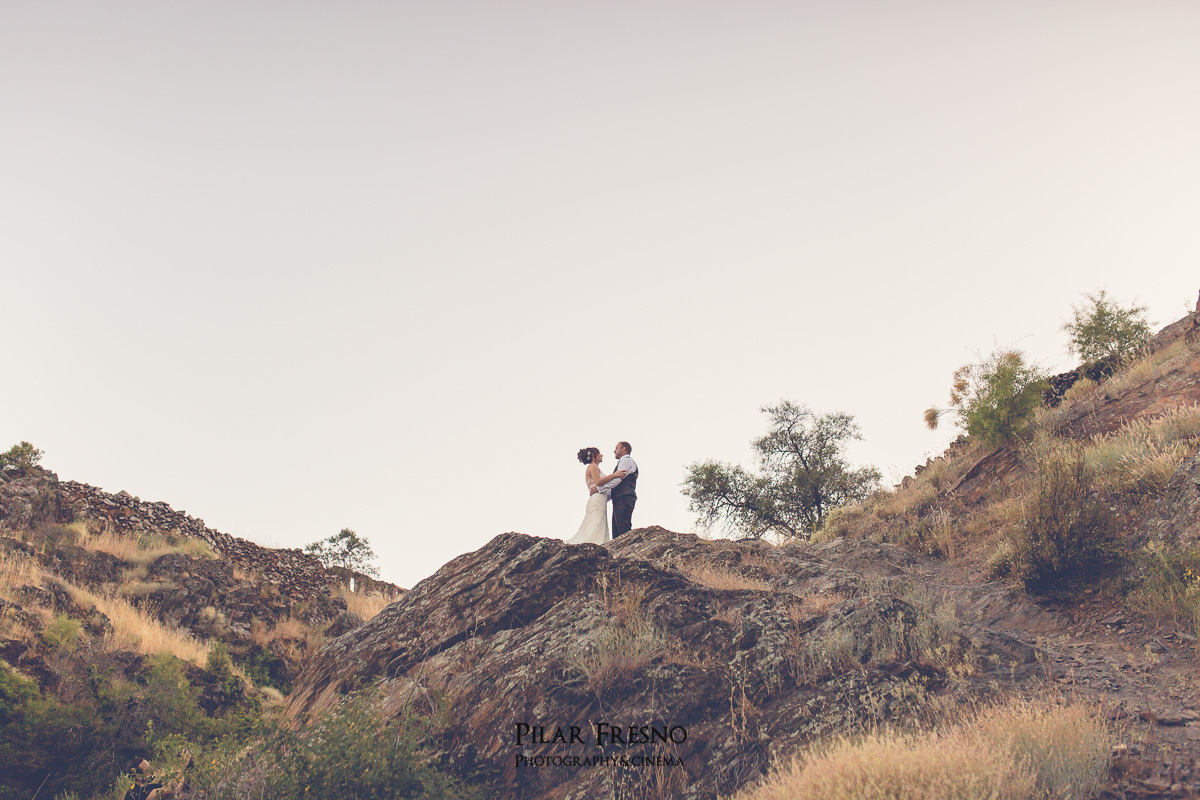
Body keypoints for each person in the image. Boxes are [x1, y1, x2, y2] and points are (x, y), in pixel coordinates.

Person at [566, 447, 625, 544]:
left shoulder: (593, 467)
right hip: (597, 498)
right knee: (595, 521)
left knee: (597, 521)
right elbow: (598, 482)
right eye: (599, 453)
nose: (601, 455)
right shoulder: (593, 466)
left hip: (599, 498)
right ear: (593, 455)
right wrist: (615, 475)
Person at [596, 441, 638, 537]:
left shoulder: (626, 461)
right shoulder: (622, 462)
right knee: (616, 530)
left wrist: (600, 489)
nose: (614, 451)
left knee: (623, 528)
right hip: (619, 497)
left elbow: (617, 480)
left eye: (616, 448)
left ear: (623, 449)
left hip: (625, 497)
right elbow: (616, 486)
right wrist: (602, 497)